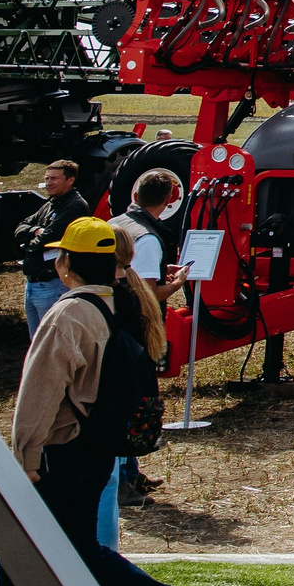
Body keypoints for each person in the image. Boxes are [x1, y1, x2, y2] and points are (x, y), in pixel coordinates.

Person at [0, 217, 206, 586]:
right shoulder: (121, 306)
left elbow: (38, 395)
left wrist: (24, 458)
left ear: (66, 264)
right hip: (98, 450)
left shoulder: (68, 315)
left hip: (59, 453)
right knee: (79, 548)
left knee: (19, 554)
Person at [107, 170, 184, 509]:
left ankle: (131, 471)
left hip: (114, 323)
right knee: (133, 403)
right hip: (136, 329)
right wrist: (177, 284)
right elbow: (149, 295)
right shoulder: (149, 238)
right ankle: (124, 480)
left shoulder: (118, 222)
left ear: (136, 193)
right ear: (169, 199)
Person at [16, 159, 91, 337]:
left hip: (53, 285)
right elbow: (20, 227)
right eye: (47, 178)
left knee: (50, 342)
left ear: (70, 180)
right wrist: (35, 231)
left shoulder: (74, 206)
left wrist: (30, 241)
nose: (49, 183)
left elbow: (46, 239)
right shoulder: (50, 204)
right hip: (34, 284)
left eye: (54, 179)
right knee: (36, 341)